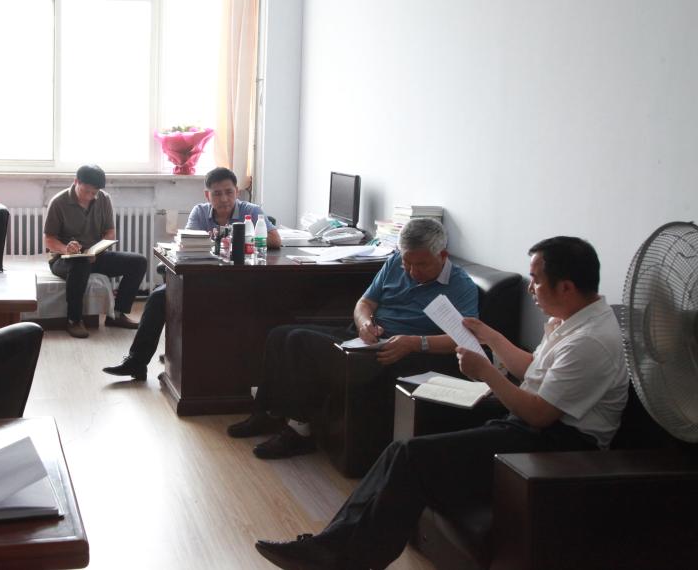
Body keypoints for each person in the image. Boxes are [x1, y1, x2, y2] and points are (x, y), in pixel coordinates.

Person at [254, 236, 629, 570]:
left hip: (557, 446)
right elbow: (534, 369)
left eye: (536, 280)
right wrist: (490, 336)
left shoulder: (589, 341)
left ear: (566, 287)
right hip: (529, 427)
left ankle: (341, 557)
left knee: (411, 457)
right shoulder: (569, 320)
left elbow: (540, 413)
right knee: (400, 452)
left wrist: (487, 372)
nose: (531, 288)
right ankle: (331, 549)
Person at [228, 217, 479, 460]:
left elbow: (465, 339)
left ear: (442, 255)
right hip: (367, 339)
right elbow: (365, 303)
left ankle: (299, 433)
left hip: (398, 353)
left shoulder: (460, 285)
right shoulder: (394, 263)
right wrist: (364, 323)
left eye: (421, 265)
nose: (412, 272)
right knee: (279, 334)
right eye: (407, 263)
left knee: (298, 340)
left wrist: (414, 342)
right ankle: (267, 414)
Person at [102, 166, 282, 380]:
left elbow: (275, 240)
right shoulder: (200, 212)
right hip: (202, 279)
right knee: (158, 297)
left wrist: (234, 240)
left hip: (242, 283)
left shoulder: (251, 211)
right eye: (217, 193)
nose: (224, 199)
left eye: (229, 192)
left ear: (237, 192)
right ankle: (137, 363)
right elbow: (185, 244)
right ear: (207, 195)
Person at [44, 164, 148, 339]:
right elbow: (49, 239)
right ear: (76, 182)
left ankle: (117, 315)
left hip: (94, 256)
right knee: (80, 262)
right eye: (86, 191)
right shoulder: (59, 202)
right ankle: (74, 320)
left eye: (94, 193)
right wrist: (66, 248)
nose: (90, 196)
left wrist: (96, 251)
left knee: (138, 262)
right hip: (64, 259)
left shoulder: (103, 199)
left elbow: (110, 233)